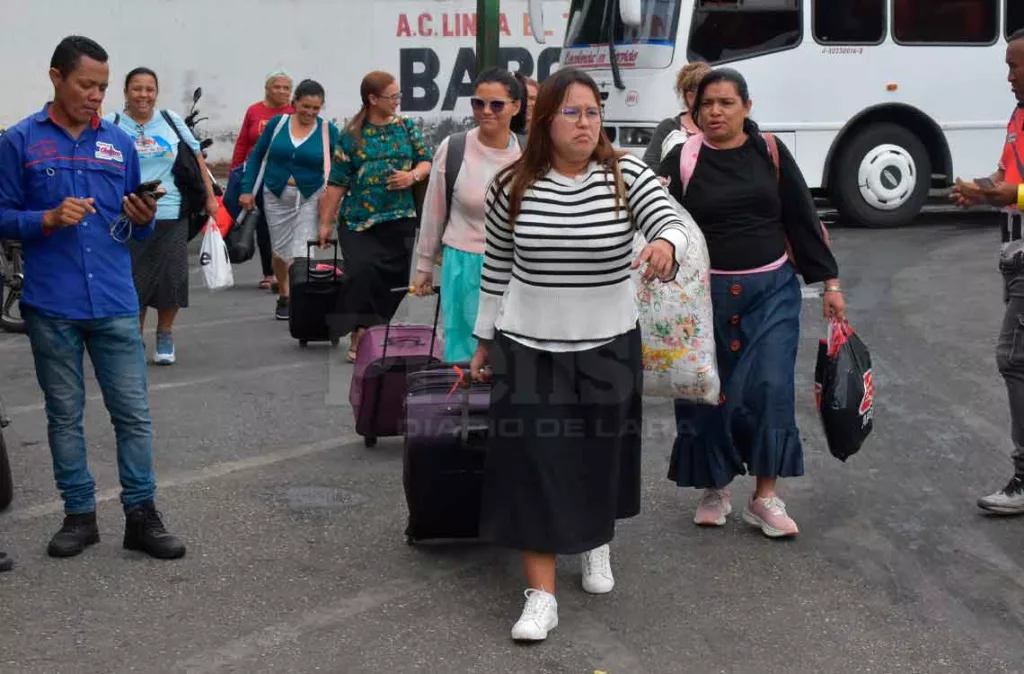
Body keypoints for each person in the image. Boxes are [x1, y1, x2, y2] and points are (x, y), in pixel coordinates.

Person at [469, 67, 690, 642]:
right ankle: (541, 596)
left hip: (608, 343)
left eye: (593, 112)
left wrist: (666, 242)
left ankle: (595, 543)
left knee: (598, 457)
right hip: (527, 347)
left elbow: (669, 220)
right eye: (572, 112)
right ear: (546, 121)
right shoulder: (510, 185)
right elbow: (494, 268)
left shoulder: (627, 175)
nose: (585, 123)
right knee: (536, 466)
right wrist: (483, 340)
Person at [0, 36, 186, 560]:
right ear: (55, 77)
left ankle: (141, 517)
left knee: (133, 415)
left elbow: (133, 225)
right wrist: (46, 219)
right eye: (87, 85)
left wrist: (142, 219)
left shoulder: (119, 143)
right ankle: (79, 516)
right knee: (64, 415)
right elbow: (2, 214)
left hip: (113, 300)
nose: (96, 96)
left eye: (103, 87)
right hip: (52, 304)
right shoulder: (19, 142)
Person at [657, 68, 843, 538]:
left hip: (772, 292)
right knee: (705, 390)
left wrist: (831, 286)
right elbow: (662, 222)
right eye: (707, 105)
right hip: (701, 298)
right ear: (694, 111)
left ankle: (765, 497)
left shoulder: (771, 153)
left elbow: (802, 218)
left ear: (747, 107)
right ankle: (715, 487)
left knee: (770, 386)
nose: (715, 112)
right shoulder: (683, 158)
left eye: (726, 103)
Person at [951, 28, 1024, 514]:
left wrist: (1007, 196)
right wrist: (976, 188)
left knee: (1013, 357)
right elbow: (1006, 177)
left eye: (1014, 66)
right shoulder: (1018, 116)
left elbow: (1015, 190)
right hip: (1014, 252)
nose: (1009, 77)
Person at [411, 68, 524, 362]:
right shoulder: (454, 148)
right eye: (478, 103)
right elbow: (433, 211)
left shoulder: (529, 155)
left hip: (517, 268)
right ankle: (462, 407)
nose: (486, 111)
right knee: (463, 351)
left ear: (516, 107)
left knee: (513, 352)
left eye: (496, 104)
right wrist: (424, 264)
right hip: (463, 266)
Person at [108, 67, 219, 364]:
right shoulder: (112, 124)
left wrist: (210, 198)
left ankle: (165, 334)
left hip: (170, 212)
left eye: (149, 89)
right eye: (137, 88)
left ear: (156, 93)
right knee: (134, 280)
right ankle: (135, 337)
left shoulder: (170, 120)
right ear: (126, 92)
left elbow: (197, 157)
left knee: (171, 277)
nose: (143, 95)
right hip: (129, 212)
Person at [318, 71, 432, 361]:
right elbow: (337, 182)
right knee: (363, 272)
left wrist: (412, 176)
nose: (397, 102)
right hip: (359, 222)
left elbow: (426, 160)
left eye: (398, 96)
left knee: (393, 282)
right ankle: (360, 331)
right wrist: (325, 223)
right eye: (392, 97)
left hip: (399, 219)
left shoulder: (406, 127)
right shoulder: (351, 135)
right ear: (372, 99)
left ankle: (376, 329)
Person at [239, 79, 340, 320]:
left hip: (310, 196)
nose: (310, 112)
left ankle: (300, 301)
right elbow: (256, 158)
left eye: (316, 108)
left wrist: (334, 203)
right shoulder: (278, 123)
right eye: (306, 106)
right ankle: (284, 292)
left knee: (302, 253)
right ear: (295, 102)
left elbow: (339, 168)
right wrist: (246, 189)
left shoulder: (328, 131)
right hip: (275, 194)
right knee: (280, 253)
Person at [231, 70, 295, 292]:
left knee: (282, 223)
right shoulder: (255, 110)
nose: (281, 91)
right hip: (255, 175)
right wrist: (235, 172)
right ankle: (269, 272)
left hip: (283, 177)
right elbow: (242, 143)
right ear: (267, 89)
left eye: (286, 88)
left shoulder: (294, 112)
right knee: (262, 225)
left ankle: (286, 271)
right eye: (277, 86)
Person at [642, 61, 711, 168]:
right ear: (690, 97)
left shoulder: (718, 125)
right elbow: (649, 164)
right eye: (707, 91)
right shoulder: (669, 127)